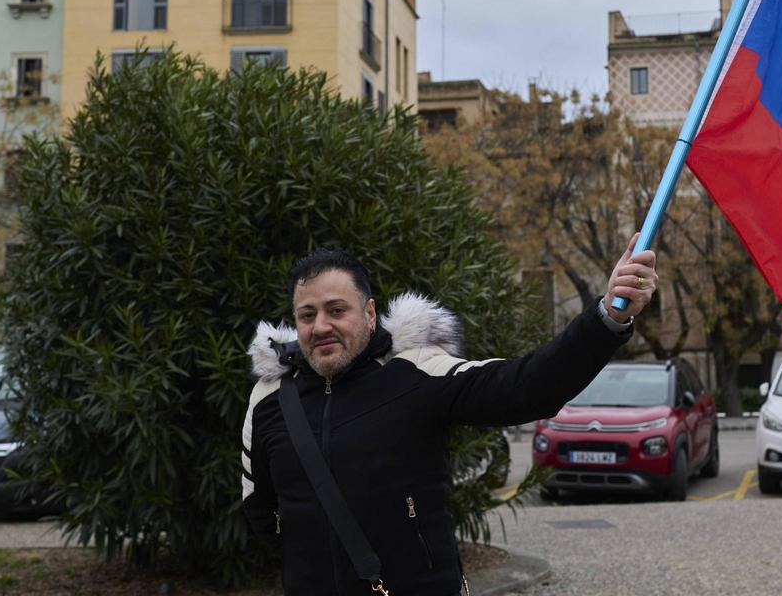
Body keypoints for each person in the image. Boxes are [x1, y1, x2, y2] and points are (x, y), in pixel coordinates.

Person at [241, 236, 659, 595]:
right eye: (307, 315)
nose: (321, 326)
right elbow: (261, 513)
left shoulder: (417, 372)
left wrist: (608, 317)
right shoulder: (269, 400)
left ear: (369, 314)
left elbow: (527, 388)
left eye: (336, 310)